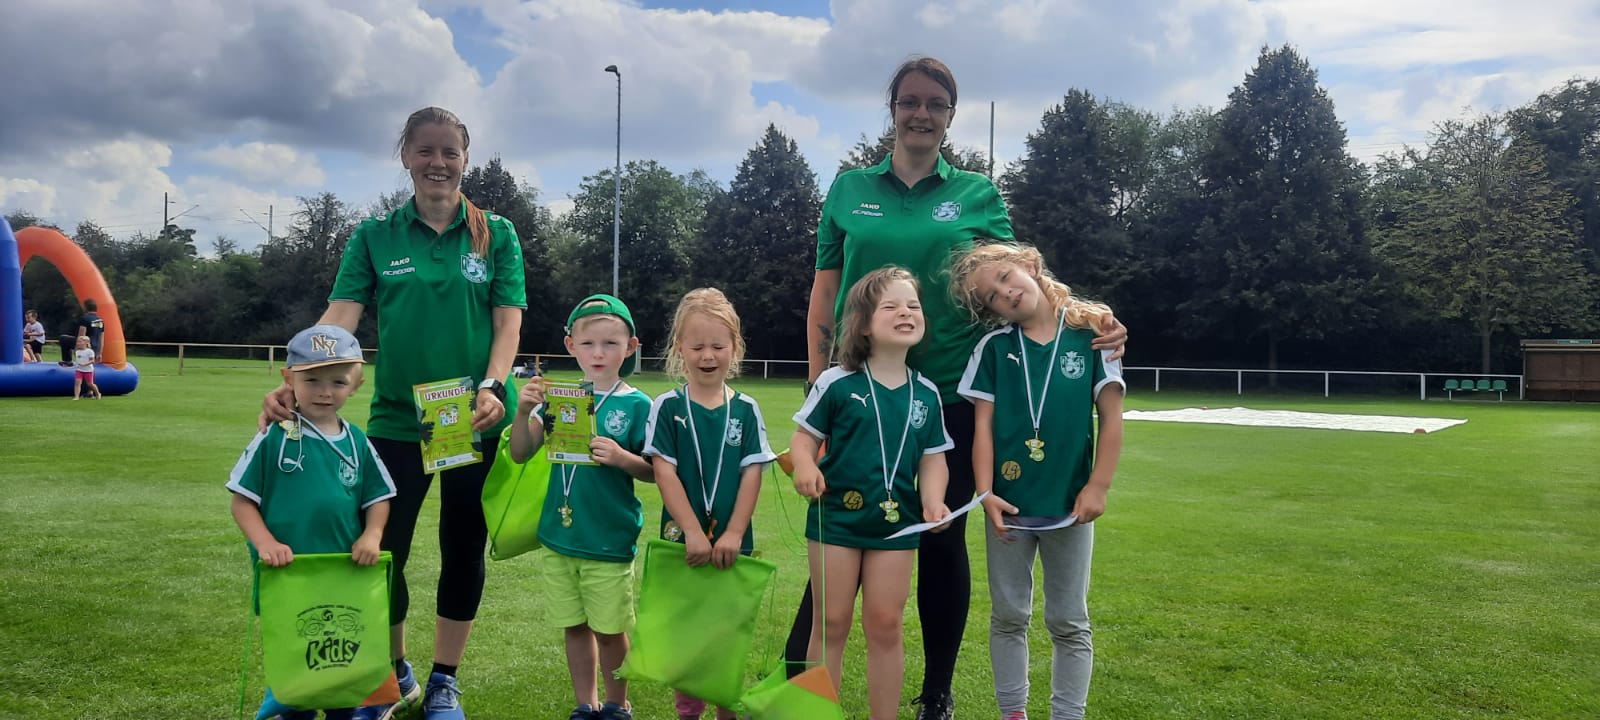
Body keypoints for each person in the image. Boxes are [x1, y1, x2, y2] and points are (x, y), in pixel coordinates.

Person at [794, 54, 1128, 720]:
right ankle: (800, 697)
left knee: (940, 539)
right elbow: (825, 293)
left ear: (950, 116)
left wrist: (1091, 315)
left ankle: (936, 695)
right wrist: (818, 386)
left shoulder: (977, 193)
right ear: (892, 110)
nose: (921, 114)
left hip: (944, 399)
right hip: (859, 397)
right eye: (909, 101)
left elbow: (1021, 281)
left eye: (935, 104)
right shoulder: (849, 189)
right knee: (837, 533)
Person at [261, 106, 527, 720]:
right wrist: (295, 378)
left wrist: (493, 386)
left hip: (474, 415)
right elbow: (340, 318)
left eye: (450, 152)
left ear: (465, 159)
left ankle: (444, 681)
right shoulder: (374, 235)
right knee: (382, 551)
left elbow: (507, 324)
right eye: (425, 150)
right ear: (405, 155)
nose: (438, 163)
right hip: (397, 421)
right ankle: (395, 673)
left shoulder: (497, 234)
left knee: (463, 548)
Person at [952, 243, 1125, 720]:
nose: (1005, 292)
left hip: (1070, 505)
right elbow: (983, 427)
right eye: (991, 296)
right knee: (1009, 616)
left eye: (1006, 277)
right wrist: (985, 493)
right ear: (990, 311)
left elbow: (1112, 418)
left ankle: (1068, 715)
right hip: (1008, 507)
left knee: (1068, 619)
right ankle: (1013, 713)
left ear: (1030, 266)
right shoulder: (993, 349)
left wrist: (1099, 486)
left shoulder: (1093, 335)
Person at [791, 267, 954, 720]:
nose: (906, 313)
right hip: (836, 522)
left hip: (896, 527)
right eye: (891, 306)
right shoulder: (836, 382)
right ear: (863, 323)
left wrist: (933, 500)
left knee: (886, 623)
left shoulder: (927, 394)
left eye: (913, 306)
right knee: (831, 622)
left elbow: (933, 459)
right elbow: (803, 440)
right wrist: (805, 467)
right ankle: (817, 716)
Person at [229, 324, 397, 720]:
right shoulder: (274, 436)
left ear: (356, 385)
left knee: (343, 661)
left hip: (344, 576)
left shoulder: (357, 441)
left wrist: (372, 535)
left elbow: (379, 498)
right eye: (312, 380)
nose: (325, 392)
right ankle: (291, 711)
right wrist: (266, 543)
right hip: (288, 576)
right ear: (288, 379)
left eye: (338, 382)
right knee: (297, 661)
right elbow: (242, 501)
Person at [509, 294, 654, 720]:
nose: (599, 353)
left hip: (608, 537)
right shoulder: (560, 397)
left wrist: (622, 458)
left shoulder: (639, 405)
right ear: (571, 346)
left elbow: (655, 472)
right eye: (588, 343)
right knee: (574, 626)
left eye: (611, 344)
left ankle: (617, 703)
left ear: (631, 347)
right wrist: (523, 411)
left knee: (610, 630)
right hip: (559, 535)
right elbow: (520, 452)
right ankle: (585, 704)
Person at [641, 288, 776, 720]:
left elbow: (752, 473)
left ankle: (726, 708)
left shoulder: (747, 409)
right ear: (679, 347)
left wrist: (734, 531)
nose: (707, 355)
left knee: (727, 630)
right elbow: (664, 473)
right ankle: (688, 711)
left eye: (718, 345)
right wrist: (693, 531)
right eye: (697, 346)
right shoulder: (666, 407)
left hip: (733, 545)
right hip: (684, 542)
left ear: (735, 347)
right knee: (687, 631)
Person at [60, 298, 105, 365]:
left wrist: (77, 348)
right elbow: (101, 339)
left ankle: (67, 361)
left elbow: (81, 335)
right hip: (95, 347)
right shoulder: (100, 321)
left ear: (85, 308)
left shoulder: (85, 319)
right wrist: (99, 353)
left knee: (63, 338)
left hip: (86, 346)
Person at [71, 336, 100, 400]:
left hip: (88, 370)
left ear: (86, 343)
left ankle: (98, 393)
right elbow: (78, 359)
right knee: (77, 383)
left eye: (80, 342)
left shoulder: (90, 351)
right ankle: (76, 397)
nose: (78, 343)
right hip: (79, 370)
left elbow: (92, 361)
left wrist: (85, 364)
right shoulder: (77, 351)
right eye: (78, 342)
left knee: (90, 384)